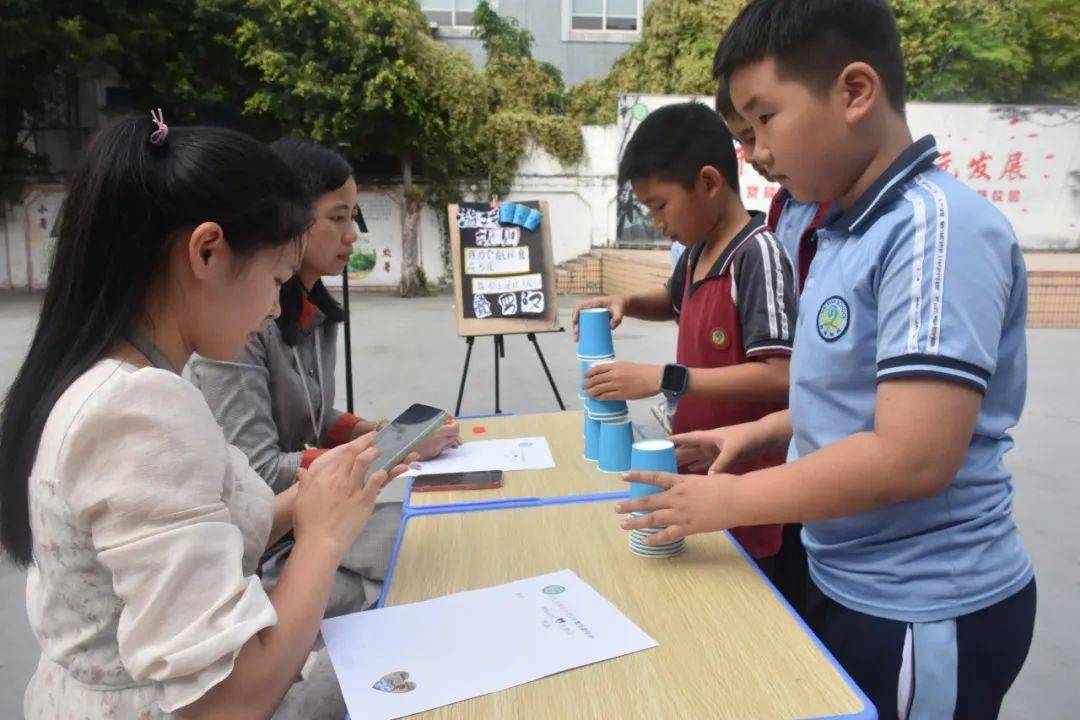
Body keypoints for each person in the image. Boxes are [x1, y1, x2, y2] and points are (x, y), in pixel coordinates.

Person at [620, 2, 1036, 717]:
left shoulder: (934, 229)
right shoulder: (843, 229)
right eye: (742, 132)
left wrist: (730, 501)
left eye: (764, 119)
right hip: (849, 579)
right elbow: (849, 399)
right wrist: (753, 434)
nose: (751, 150)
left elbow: (913, 457)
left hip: (923, 602)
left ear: (854, 92)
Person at [0, 114, 414, 719]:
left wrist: (305, 502)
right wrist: (322, 539)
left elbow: (196, 530)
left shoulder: (108, 380)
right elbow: (226, 702)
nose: (275, 307)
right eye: (274, 279)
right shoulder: (138, 410)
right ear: (207, 251)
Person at [187, 138, 459, 615]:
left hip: (313, 512)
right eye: (337, 217)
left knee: (442, 537)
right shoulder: (238, 327)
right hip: (268, 542)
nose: (352, 234)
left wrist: (379, 432)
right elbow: (262, 471)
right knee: (432, 561)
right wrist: (390, 446)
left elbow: (315, 415)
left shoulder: (315, 317)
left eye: (354, 217)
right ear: (288, 217)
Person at [573, 102, 800, 585]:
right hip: (692, 473)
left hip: (745, 485)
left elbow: (781, 374)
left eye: (660, 206)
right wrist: (625, 301)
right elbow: (674, 301)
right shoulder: (698, 249)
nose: (657, 223)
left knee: (743, 593)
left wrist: (662, 378)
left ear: (709, 183)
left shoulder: (757, 254)